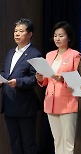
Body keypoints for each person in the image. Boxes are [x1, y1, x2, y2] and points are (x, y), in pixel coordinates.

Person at [35, 21, 81, 154]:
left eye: (61, 35)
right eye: (55, 35)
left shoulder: (75, 55)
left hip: (68, 101)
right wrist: (41, 79)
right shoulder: (49, 55)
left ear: (69, 38)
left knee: (68, 142)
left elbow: (77, 80)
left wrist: (63, 79)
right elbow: (46, 80)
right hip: (51, 101)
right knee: (57, 140)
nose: (57, 38)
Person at [0, 18, 41, 154]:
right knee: (14, 142)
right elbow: (5, 72)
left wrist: (19, 82)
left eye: (21, 31)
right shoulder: (11, 52)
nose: (17, 34)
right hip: (9, 103)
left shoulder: (35, 54)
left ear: (29, 34)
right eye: (15, 31)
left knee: (28, 143)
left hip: (25, 106)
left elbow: (35, 79)